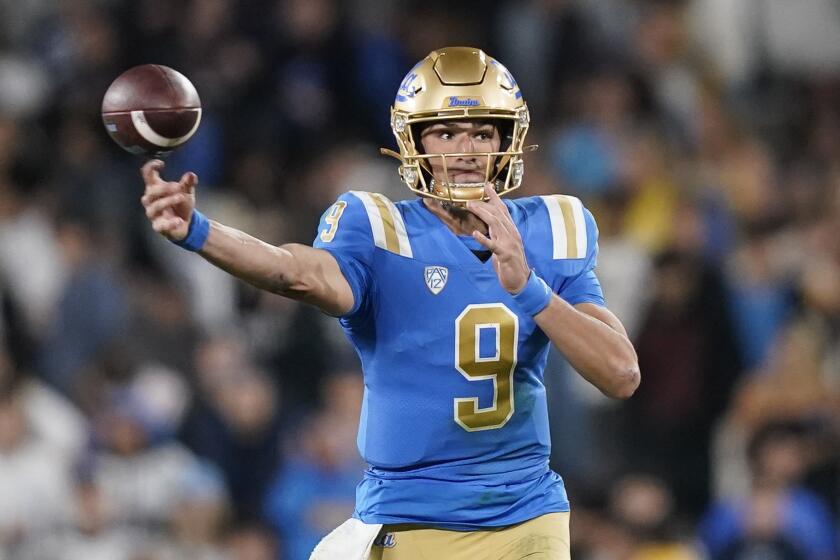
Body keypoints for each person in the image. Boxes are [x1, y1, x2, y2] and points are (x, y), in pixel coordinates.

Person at [140, 46, 640, 560]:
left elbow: (620, 373)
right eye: (446, 132)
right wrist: (199, 231)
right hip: (409, 517)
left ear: (505, 142)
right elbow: (297, 273)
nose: (466, 149)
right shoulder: (379, 228)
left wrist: (530, 288)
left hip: (526, 514)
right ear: (414, 140)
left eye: (482, 132)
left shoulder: (552, 228)